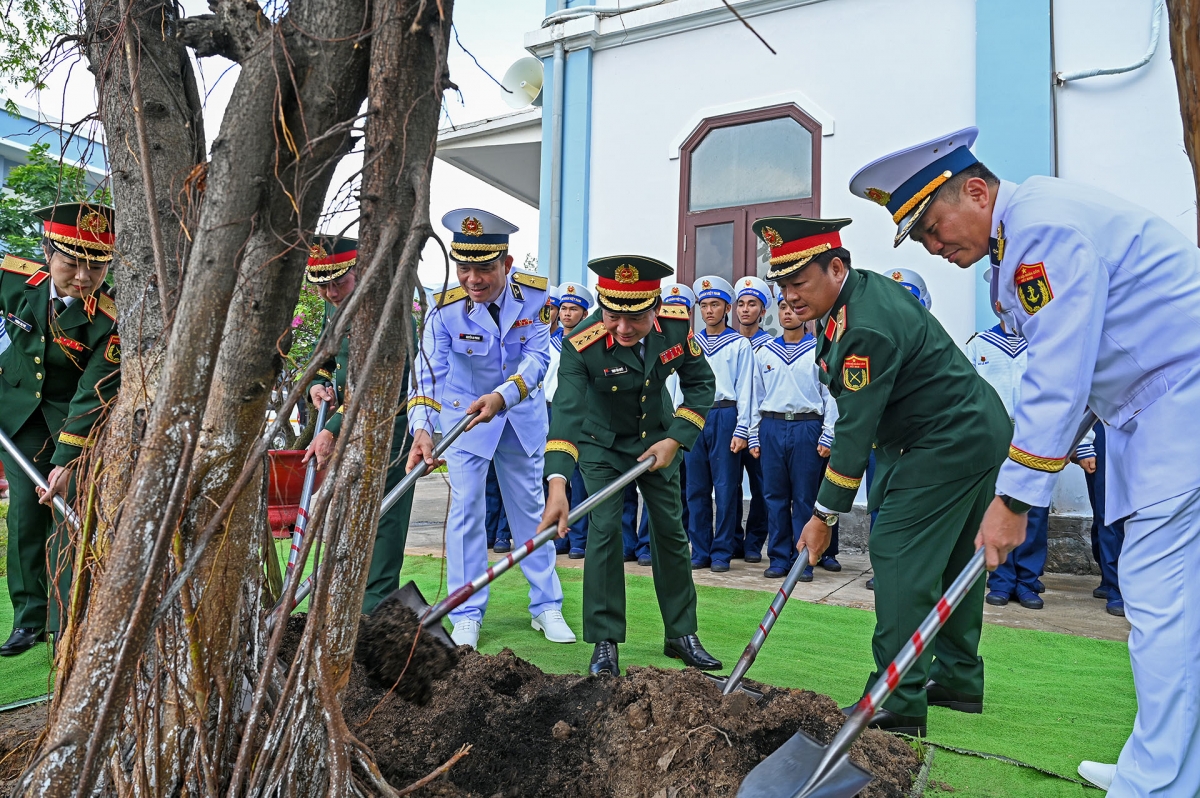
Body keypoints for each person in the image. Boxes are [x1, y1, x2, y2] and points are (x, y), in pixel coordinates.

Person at [852, 126, 1200, 794]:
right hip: (1158, 412)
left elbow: (1058, 372)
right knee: (1174, 611)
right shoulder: (1030, 229)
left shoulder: (1042, 232)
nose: (933, 246)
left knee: (1160, 607)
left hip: (1177, 414)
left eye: (932, 227)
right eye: (920, 239)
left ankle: (1155, 782)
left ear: (977, 191)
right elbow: (1097, 360)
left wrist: (1014, 502)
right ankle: (1158, 768)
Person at [753, 215, 1011, 737]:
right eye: (782, 285)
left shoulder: (863, 326)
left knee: (896, 554)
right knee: (960, 558)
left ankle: (896, 699)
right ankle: (958, 678)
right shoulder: (853, 298)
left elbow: (854, 427)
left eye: (799, 282)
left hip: (944, 440)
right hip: (969, 429)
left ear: (835, 267)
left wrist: (824, 515)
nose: (790, 297)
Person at [540, 255, 720, 676]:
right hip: (601, 447)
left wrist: (676, 438)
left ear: (655, 308)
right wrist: (558, 484)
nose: (621, 327)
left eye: (635, 317)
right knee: (604, 535)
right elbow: (566, 413)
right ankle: (605, 641)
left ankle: (681, 633)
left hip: (658, 441)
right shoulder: (580, 344)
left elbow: (701, 384)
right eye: (612, 314)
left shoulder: (676, 328)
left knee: (671, 533)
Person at [406, 208, 575, 649]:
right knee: (466, 515)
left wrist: (504, 396)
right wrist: (422, 427)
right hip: (463, 421)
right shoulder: (443, 308)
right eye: (464, 268)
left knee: (529, 510)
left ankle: (546, 605)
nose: (473, 279)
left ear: (507, 263)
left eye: (484, 268)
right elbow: (429, 375)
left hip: (518, 417)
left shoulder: (537, 298)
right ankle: (466, 611)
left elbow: (539, 361)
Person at [0, 202, 121, 656]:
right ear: (49, 252)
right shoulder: (13, 279)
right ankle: (28, 619)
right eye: (72, 265)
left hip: (72, 423)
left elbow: (95, 390)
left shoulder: (110, 319)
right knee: (24, 517)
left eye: (96, 266)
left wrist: (68, 460)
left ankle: (67, 621)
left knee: (67, 514)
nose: (84, 278)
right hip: (17, 419)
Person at [300, 235, 418, 613]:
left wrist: (331, 429)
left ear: (360, 271)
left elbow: (379, 387)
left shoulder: (386, 311)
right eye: (322, 284)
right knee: (349, 518)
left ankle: (373, 613)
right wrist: (318, 383)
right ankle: (343, 605)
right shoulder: (337, 307)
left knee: (382, 521)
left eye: (338, 281)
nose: (331, 292)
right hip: (348, 427)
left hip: (388, 429)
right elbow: (327, 355)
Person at [964, 317, 1095, 610]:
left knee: (1033, 510)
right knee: (997, 506)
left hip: (1036, 435)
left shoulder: (1045, 343)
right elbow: (966, 394)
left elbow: (1071, 394)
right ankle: (1000, 580)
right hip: (994, 434)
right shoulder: (979, 345)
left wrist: (1082, 445)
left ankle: (1026, 581)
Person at [748, 293, 838, 581]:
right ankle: (777, 556)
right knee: (774, 495)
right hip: (772, 425)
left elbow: (830, 395)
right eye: (783, 307)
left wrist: (828, 433)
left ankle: (804, 560)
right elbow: (754, 395)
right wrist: (752, 434)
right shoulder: (764, 353)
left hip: (806, 426)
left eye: (793, 308)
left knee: (804, 497)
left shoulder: (818, 351)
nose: (788, 313)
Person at [686, 276, 756, 572]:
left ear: (727, 307)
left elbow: (746, 389)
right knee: (695, 487)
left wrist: (743, 429)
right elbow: (681, 385)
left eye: (715, 304)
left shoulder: (739, 344)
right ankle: (700, 549)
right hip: (693, 415)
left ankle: (722, 551)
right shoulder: (691, 344)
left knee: (727, 487)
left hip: (725, 414)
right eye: (704, 305)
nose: (709, 310)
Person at [547, 282, 594, 558]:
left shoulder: (588, 344)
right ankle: (557, 535)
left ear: (584, 315)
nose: (566, 314)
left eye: (573, 309)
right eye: (563, 308)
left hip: (578, 412)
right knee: (553, 476)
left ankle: (578, 538)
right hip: (550, 410)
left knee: (577, 477)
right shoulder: (549, 342)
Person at [733, 276, 771, 564]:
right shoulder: (727, 344)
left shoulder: (771, 346)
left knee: (761, 486)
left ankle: (754, 542)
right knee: (729, 485)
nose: (746, 310)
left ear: (763, 311)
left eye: (752, 304)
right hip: (731, 425)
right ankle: (733, 539)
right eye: (741, 304)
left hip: (762, 428)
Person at [1083, 421, 1125, 617]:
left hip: (1150, 426)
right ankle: (1116, 585)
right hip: (1106, 426)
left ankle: (1118, 582)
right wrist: (1083, 443)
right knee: (1108, 511)